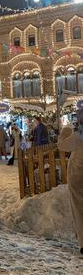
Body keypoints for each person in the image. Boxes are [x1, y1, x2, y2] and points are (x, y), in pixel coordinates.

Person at [58, 109, 83, 256]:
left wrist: (65, 130)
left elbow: (61, 145)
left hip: (78, 177)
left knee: (79, 210)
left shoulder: (78, 137)